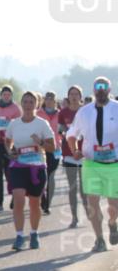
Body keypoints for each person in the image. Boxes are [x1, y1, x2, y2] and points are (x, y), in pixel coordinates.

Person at [66, 77, 118, 253]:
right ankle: (99, 239)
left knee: (114, 205)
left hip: (113, 165)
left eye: (104, 87)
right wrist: (74, 150)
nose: (101, 90)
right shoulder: (84, 112)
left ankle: (112, 223)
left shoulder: (117, 109)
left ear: (109, 90)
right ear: (94, 90)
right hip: (91, 163)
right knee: (92, 204)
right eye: (98, 87)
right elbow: (72, 134)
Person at [5, 92, 54, 250]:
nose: (27, 105)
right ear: (21, 104)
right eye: (25, 102)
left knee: (35, 203)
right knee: (18, 200)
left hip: (37, 167)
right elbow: (7, 140)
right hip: (19, 167)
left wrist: (39, 142)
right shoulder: (14, 124)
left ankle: (34, 233)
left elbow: (52, 147)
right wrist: (10, 151)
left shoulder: (42, 124)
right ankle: (19, 236)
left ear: (36, 105)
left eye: (31, 102)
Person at [0, 85, 21, 214]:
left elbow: (19, 124)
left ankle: (13, 197)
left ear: (11, 96)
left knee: (9, 171)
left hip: (9, 143)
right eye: (4, 94)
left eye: (9, 95)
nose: (6, 97)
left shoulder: (15, 108)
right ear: (1, 95)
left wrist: (8, 126)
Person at [58, 85, 88, 228]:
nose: (74, 96)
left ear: (81, 96)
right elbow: (61, 130)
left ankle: (89, 213)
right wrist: (68, 134)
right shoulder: (63, 112)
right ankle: (74, 217)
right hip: (69, 153)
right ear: (68, 96)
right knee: (72, 187)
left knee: (84, 188)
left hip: (85, 154)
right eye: (71, 94)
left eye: (77, 94)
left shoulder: (86, 111)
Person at [36, 91, 62, 215]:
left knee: (51, 175)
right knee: (42, 175)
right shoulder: (38, 114)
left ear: (55, 101)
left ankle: (48, 203)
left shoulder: (60, 114)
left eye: (52, 98)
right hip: (41, 147)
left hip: (56, 149)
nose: (49, 101)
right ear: (44, 100)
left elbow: (64, 130)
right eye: (47, 98)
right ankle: (43, 198)